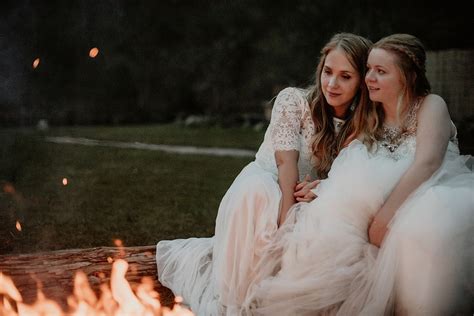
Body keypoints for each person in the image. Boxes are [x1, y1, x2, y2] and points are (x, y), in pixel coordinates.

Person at [247, 34, 473, 315]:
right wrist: (323, 187)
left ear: (407, 76)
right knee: (324, 228)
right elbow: (348, 164)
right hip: (375, 202)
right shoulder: (370, 114)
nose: (369, 78)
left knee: (422, 230)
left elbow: (427, 163)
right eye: (368, 70)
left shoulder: (429, 105)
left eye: (381, 71)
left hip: (428, 191)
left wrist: (384, 216)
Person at [155, 32, 373, 315]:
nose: (332, 83)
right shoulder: (293, 100)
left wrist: (322, 188)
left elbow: (351, 173)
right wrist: (286, 221)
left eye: (346, 76)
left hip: (305, 193)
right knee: (260, 195)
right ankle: (241, 298)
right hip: (270, 182)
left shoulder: (361, 123)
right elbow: (286, 163)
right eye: (328, 72)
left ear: (361, 82)